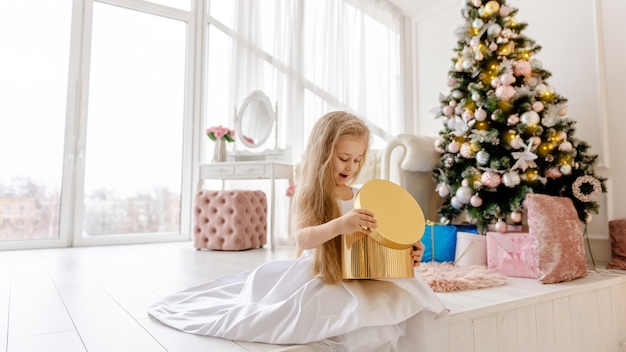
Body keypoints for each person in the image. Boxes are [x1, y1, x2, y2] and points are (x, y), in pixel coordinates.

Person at [148, 111, 447, 351]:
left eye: (357, 160)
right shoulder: (311, 193)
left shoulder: (361, 193)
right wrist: (342, 224)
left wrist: (407, 250)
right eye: (344, 159)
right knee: (340, 314)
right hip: (322, 270)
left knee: (401, 299)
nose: (351, 167)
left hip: (360, 271)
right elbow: (303, 237)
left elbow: (379, 237)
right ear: (323, 154)